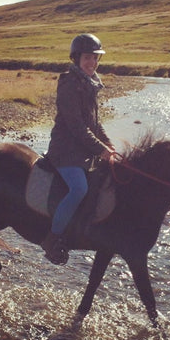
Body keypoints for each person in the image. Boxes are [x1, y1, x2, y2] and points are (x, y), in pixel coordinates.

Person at [42, 33, 115, 264]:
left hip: (83, 151)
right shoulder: (69, 83)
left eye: (95, 58)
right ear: (76, 58)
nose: (91, 62)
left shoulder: (91, 82)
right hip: (65, 151)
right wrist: (99, 149)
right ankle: (52, 238)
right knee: (79, 189)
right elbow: (76, 126)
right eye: (87, 58)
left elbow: (95, 123)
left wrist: (109, 145)